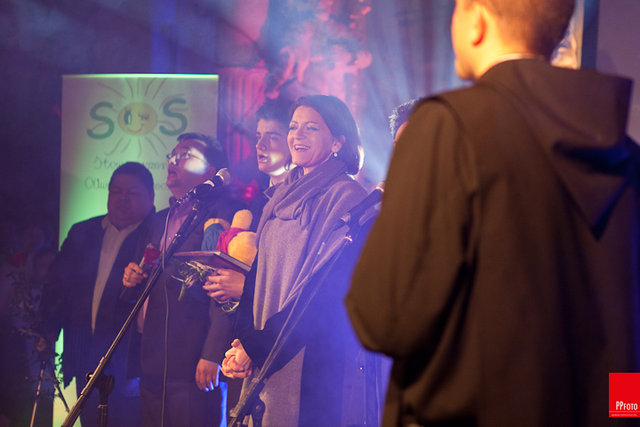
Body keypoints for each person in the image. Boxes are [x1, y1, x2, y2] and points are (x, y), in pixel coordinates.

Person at [346, 0, 640, 426]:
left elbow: (381, 317)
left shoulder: (447, 126)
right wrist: (625, 411)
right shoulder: (622, 153)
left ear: (477, 19)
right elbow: (625, 321)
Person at [221, 95, 368, 426]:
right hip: (264, 347)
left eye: (311, 128)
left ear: (337, 142)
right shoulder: (281, 194)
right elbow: (258, 277)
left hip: (310, 357)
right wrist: (245, 343)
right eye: (293, 127)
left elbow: (322, 295)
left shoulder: (346, 198)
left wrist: (257, 348)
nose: (297, 135)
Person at [122, 132, 243, 427]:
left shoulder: (220, 219)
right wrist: (132, 279)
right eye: (172, 155)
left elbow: (222, 288)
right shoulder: (157, 220)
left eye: (185, 155)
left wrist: (212, 353)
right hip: (151, 358)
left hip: (192, 359)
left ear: (210, 172)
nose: (173, 161)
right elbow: (143, 278)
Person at [37, 162, 155, 427]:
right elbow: (57, 285)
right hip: (85, 354)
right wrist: (46, 329)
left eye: (132, 193)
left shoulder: (156, 237)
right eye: (116, 191)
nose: (123, 199)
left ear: (151, 197)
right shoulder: (83, 232)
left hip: (131, 364)